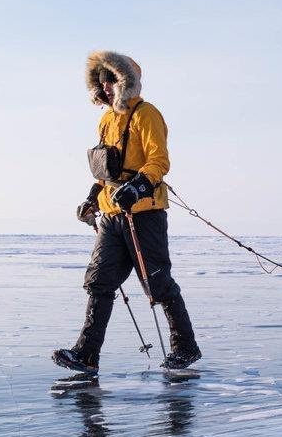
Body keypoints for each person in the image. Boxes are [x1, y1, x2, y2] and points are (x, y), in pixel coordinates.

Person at [52, 51, 201, 374]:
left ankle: (185, 347)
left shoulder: (148, 114)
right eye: (101, 83)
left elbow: (158, 161)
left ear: (126, 83)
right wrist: (93, 197)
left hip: (144, 213)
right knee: (99, 282)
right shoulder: (106, 120)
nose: (106, 89)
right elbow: (105, 169)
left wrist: (136, 188)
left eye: (112, 82)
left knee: (157, 283)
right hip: (111, 214)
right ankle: (86, 354)